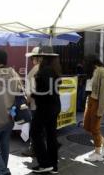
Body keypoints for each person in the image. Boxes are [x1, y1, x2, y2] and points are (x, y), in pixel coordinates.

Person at [30, 46, 61, 174]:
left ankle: (44, 163)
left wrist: (33, 94)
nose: (38, 57)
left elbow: (46, 92)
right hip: (53, 106)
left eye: (40, 55)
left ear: (43, 56)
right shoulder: (54, 68)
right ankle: (53, 166)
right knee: (51, 135)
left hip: (45, 107)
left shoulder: (46, 70)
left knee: (35, 132)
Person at [83, 55, 104, 162]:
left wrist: (101, 109)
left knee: (94, 128)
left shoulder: (103, 72)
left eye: (85, 62)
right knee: (87, 126)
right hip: (90, 100)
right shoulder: (94, 71)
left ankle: (97, 153)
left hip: (98, 102)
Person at [22, 47, 42, 157]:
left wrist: (27, 101)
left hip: (36, 104)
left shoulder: (35, 70)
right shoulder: (49, 68)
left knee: (35, 129)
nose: (32, 60)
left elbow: (32, 91)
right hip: (46, 105)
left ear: (36, 58)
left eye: (32, 58)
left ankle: (34, 149)